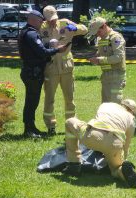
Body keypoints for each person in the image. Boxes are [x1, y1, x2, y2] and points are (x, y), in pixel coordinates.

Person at [64, 99, 136, 188]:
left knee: (69, 122)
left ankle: (74, 163)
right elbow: (126, 145)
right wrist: (123, 160)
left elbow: (99, 118)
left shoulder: (106, 105)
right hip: (115, 143)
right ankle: (122, 171)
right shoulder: (131, 119)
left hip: (93, 136)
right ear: (133, 112)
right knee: (115, 169)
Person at [19, 10, 68, 138]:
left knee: (32, 101)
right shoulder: (31, 34)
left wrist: (47, 44)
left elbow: (37, 49)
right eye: (40, 21)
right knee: (31, 102)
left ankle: (31, 127)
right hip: (32, 72)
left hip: (31, 71)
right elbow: (42, 53)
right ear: (33, 20)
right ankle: (28, 130)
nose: (42, 23)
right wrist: (57, 49)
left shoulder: (28, 32)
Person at [40, 5, 88, 135]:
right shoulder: (41, 27)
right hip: (51, 67)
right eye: (49, 19)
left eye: (54, 18)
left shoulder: (65, 23)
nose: (52, 21)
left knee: (69, 98)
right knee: (49, 98)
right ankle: (50, 126)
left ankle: (71, 124)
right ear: (45, 18)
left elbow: (85, 29)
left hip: (66, 67)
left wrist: (76, 28)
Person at [87, 17, 127, 104]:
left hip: (116, 75)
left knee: (115, 104)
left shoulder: (115, 37)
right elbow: (103, 52)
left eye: (98, 32)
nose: (97, 34)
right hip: (106, 75)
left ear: (104, 26)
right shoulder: (102, 39)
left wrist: (100, 60)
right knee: (105, 105)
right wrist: (96, 57)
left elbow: (118, 57)